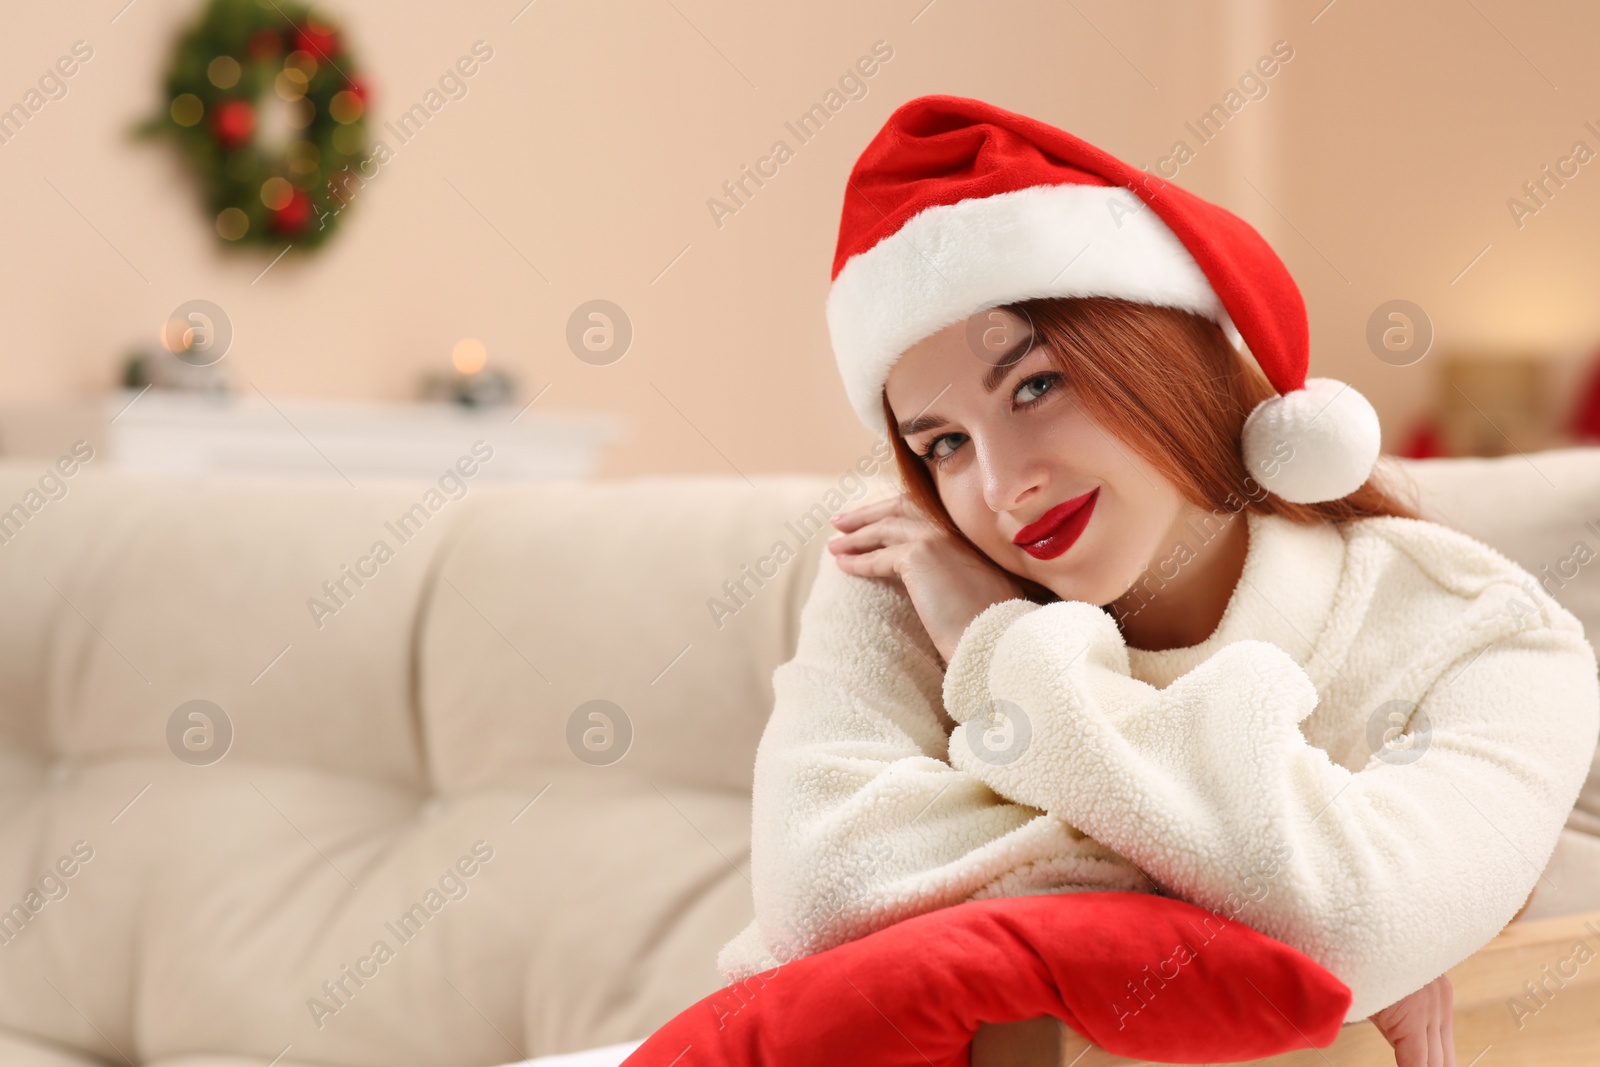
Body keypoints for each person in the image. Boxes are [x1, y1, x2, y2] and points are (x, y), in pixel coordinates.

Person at [714, 95, 1600, 1067]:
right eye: (944, 443)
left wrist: (999, 648)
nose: (1004, 486)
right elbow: (822, 897)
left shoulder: (1490, 633)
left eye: (1034, 385)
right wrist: (1288, 898)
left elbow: (1349, 925)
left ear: (1165, 352)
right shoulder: (902, 565)